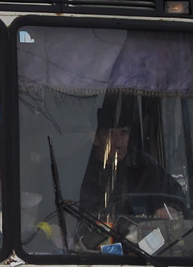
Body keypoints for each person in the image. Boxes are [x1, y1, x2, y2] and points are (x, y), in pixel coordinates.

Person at [79, 94, 185, 222]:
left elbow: (177, 195)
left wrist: (171, 208)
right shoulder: (79, 170)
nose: (118, 143)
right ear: (95, 138)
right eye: (111, 134)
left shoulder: (143, 166)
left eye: (124, 133)